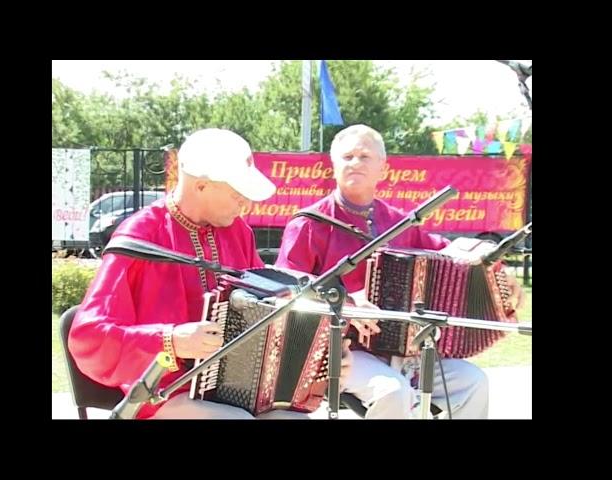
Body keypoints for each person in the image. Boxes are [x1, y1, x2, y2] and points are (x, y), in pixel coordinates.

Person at [68, 128, 352, 419]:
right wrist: (171, 339)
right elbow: (87, 338)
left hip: (235, 392)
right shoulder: (140, 235)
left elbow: (270, 312)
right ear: (201, 185)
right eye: (236, 193)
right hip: (162, 396)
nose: (246, 203)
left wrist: (321, 357)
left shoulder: (239, 232)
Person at [276, 124, 525, 419]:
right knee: (393, 391)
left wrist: (495, 267)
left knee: (474, 382)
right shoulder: (308, 225)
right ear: (333, 166)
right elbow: (284, 294)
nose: (355, 162)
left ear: (383, 168)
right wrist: (345, 306)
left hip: (407, 353)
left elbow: (450, 252)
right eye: (347, 156)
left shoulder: (399, 223)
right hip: (342, 353)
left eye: (365, 156)